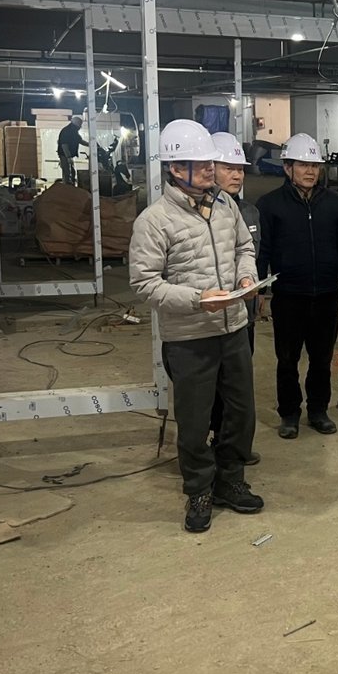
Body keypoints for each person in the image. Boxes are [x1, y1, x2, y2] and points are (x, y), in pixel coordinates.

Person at [129, 119, 262, 533]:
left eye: (210, 162)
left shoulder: (225, 207)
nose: (210, 168)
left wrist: (246, 277)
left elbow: (244, 247)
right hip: (190, 339)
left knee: (241, 414)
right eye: (200, 163)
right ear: (175, 168)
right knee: (193, 421)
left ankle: (230, 481)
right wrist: (197, 299)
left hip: (233, 329)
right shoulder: (154, 221)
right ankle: (199, 490)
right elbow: (144, 283)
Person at [257, 133, 338, 439]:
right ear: (287, 168)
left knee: (321, 360)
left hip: (326, 296)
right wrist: (259, 290)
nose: (310, 171)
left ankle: (318, 411)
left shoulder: (334, 203)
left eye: (314, 165)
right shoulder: (270, 205)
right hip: (288, 297)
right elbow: (262, 251)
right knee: (287, 361)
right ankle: (289, 414)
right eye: (303, 165)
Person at [210, 131, 262, 466]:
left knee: (239, 386)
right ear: (210, 167)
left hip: (246, 313)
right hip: (213, 317)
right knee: (213, 384)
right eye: (228, 168)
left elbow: (255, 255)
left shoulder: (251, 213)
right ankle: (215, 440)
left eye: (240, 169)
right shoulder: (202, 214)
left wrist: (258, 293)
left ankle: (234, 445)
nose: (236, 175)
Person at [57, 114, 87, 186]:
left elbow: (80, 140)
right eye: (80, 125)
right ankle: (67, 187)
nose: (80, 127)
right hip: (64, 155)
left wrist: (90, 145)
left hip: (67, 155)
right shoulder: (67, 131)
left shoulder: (73, 131)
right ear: (76, 124)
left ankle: (71, 185)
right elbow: (64, 145)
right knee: (67, 172)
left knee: (71, 172)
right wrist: (68, 157)